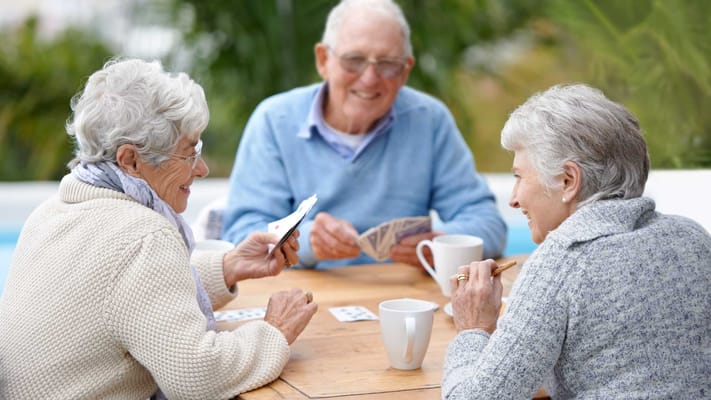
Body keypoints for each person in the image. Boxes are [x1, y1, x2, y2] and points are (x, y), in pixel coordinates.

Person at [0, 58, 318, 400]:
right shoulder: (143, 236)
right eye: (188, 154)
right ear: (130, 161)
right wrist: (274, 332)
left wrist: (229, 267)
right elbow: (198, 377)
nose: (203, 169)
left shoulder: (49, 213)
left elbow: (125, 296)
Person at [442, 83, 711, 399]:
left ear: (568, 181)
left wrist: (473, 329)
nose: (513, 199)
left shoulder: (564, 261)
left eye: (519, 177)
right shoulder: (693, 238)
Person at [221, 0, 507, 269]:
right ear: (323, 60)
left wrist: (442, 242)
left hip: (403, 302)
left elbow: (490, 225)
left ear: (405, 71)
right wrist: (307, 240)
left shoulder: (430, 120)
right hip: (302, 299)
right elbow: (240, 235)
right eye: (354, 60)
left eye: (387, 64)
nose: (369, 79)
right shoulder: (274, 120)